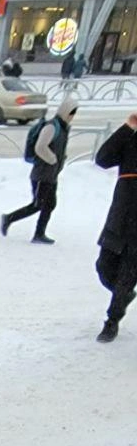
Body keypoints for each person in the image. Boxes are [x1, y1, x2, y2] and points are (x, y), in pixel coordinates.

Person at [0, 95, 77, 245]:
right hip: (42, 174)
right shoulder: (52, 127)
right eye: (72, 112)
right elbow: (40, 147)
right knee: (38, 204)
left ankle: (39, 234)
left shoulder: (62, 128)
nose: (72, 116)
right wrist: (52, 159)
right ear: (65, 111)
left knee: (49, 204)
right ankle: (9, 218)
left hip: (51, 174)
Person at [93, 112, 137, 343]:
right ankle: (124, 296)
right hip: (119, 220)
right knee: (104, 268)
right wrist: (127, 128)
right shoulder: (131, 139)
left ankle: (112, 321)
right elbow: (103, 159)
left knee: (126, 277)